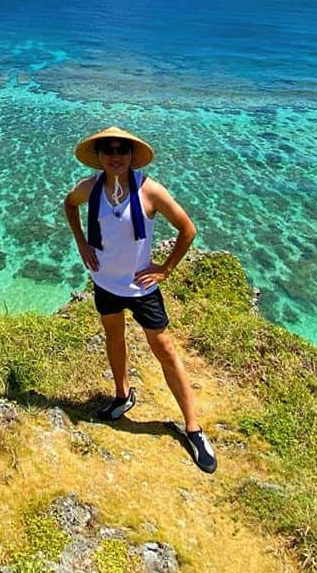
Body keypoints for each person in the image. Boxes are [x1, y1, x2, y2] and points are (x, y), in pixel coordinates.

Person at [62, 125, 216, 473]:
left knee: (164, 349)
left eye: (122, 150)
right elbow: (68, 206)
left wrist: (165, 269)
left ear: (132, 156)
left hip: (142, 289)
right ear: (99, 157)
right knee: (114, 339)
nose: (115, 156)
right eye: (108, 150)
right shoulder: (90, 188)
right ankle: (122, 395)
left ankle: (193, 427)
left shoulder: (150, 191)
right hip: (105, 284)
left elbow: (187, 229)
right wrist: (81, 242)